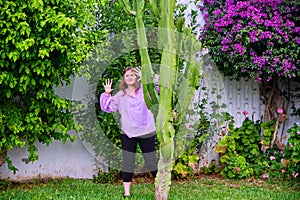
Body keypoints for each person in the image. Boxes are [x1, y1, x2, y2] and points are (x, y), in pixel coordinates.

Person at [100, 67, 158, 198]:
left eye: (133, 75)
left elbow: (159, 88)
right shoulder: (121, 95)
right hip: (127, 133)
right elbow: (107, 107)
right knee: (128, 162)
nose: (130, 77)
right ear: (124, 79)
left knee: (151, 161)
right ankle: (127, 193)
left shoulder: (145, 90)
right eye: (127, 75)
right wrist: (107, 94)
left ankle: (159, 188)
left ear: (137, 77)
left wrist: (148, 76)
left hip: (146, 131)